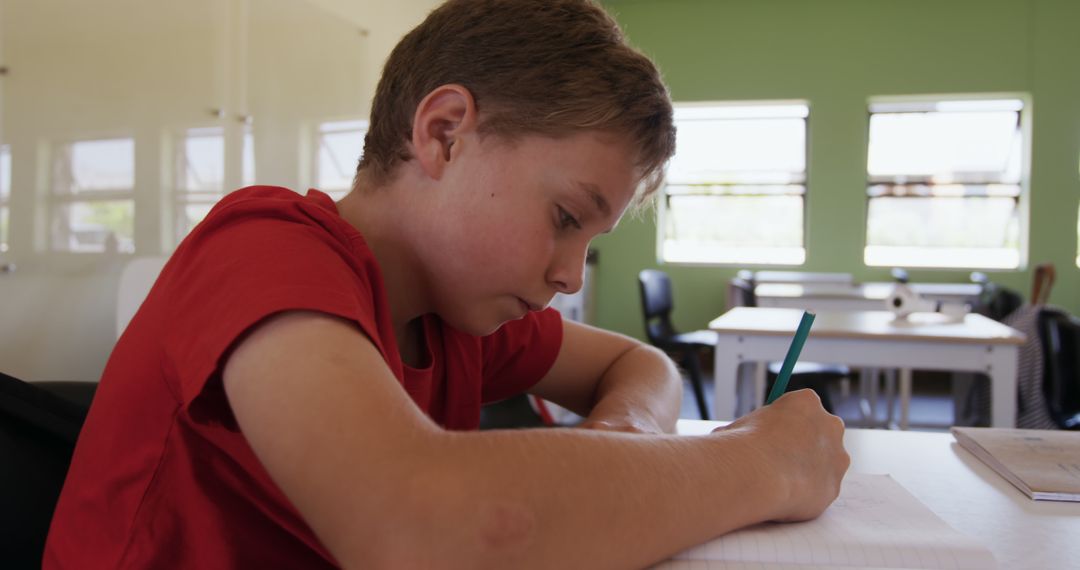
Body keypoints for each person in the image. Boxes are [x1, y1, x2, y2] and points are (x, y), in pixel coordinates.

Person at [44, 0, 848, 568]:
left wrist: (626, 442)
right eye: (567, 216)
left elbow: (639, 365)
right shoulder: (264, 246)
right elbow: (418, 530)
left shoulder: (456, 316)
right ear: (445, 133)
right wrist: (764, 466)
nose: (570, 276)